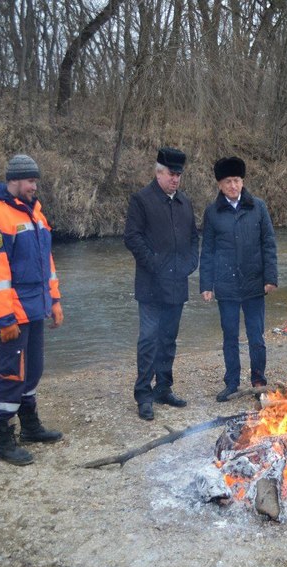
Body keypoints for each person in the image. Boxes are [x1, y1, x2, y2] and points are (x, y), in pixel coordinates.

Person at [0, 154, 64, 466]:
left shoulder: (36, 214)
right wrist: (5, 318)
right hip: (14, 314)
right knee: (11, 374)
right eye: (30, 181)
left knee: (33, 370)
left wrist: (54, 301)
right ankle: (4, 438)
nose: (34, 186)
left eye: (35, 180)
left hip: (36, 307)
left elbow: (48, 263)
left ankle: (30, 427)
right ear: (13, 180)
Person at [124, 147, 199, 421]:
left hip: (178, 283)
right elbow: (132, 238)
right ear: (158, 172)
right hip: (151, 284)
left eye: (179, 174)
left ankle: (163, 388)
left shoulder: (185, 203)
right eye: (171, 174)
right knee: (148, 339)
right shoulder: (141, 200)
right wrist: (157, 265)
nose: (175, 179)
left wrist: (191, 264)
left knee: (168, 340)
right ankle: (143, 394)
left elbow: (193, 239)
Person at [199, 157, 278, 402]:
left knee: (256, 336)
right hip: (226, 285)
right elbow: (208, 250)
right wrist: (206, 285)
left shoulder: (258, 207)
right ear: (220, 185)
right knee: (229, 336)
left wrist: (270, 277)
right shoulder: (213, 213)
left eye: (236, 180)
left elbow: (269, 244)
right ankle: (232, 382)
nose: (233, 186)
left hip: (254, 282)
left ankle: (258, 381)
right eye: (227, 182)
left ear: (242, 181)